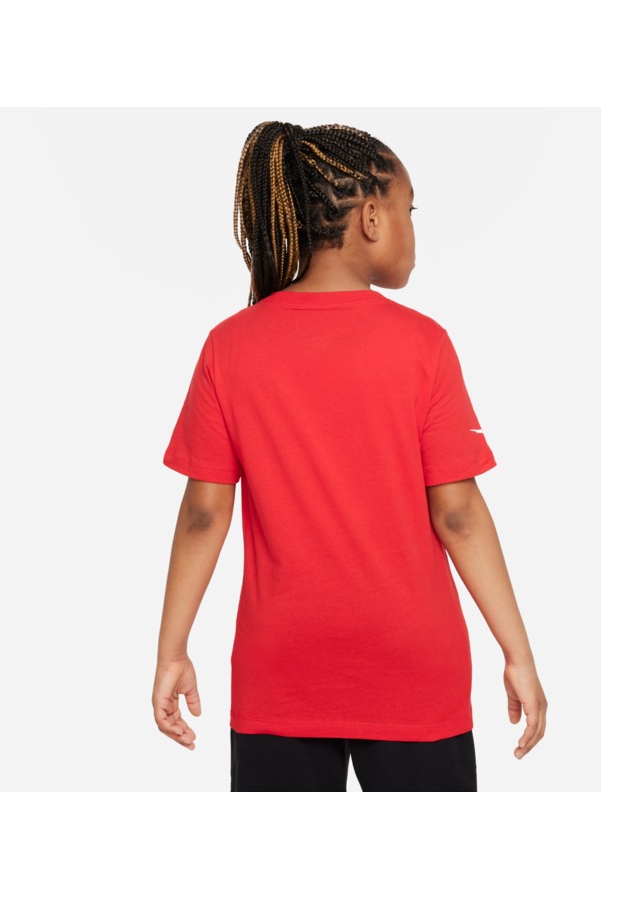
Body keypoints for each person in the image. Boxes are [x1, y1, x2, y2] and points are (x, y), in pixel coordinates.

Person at [152, 121, 548, 792]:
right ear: (369, 217)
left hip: (280, 672)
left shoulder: (229, 346)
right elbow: (457, 513)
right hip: (413, 670)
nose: (413, 228)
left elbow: (202, 514)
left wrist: (172, 650)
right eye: (408, 209)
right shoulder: (422, 345)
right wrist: (518, 653)